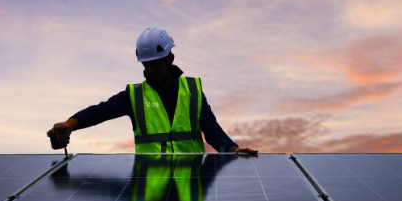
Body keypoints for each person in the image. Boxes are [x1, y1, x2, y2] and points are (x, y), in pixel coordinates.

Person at [47, 27, 258, 155]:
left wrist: (232, 149)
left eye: (155, 64)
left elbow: (212, 130)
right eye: (145, 64)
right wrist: (69, 125)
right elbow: (99, 112)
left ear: (170, 59)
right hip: (151, 184)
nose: (149, 70)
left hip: (191, 183)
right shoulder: (134, 96)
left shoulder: (193, 91)